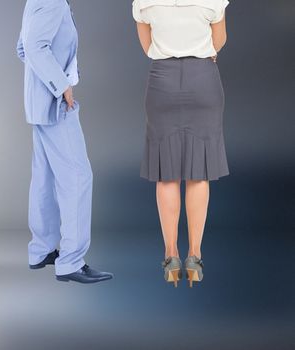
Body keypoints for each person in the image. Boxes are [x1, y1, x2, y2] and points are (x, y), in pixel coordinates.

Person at [133, 0, 229, 288]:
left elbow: (147, 46)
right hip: (203, 79)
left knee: (166, 172)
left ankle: (171, 255)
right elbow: (219, 40)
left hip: (162, 80)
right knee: (198, 172)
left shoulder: (144, 2)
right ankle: (195, 256)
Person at [18, 0, 112, 284]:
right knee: (78, 176)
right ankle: (70, 261)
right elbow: (33, 47)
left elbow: (23, 47)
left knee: (44, 176)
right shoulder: (53, 2)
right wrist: (61, 85)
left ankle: (41, 250)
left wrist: (47, 80)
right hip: (55, 105)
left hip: (39, 102)